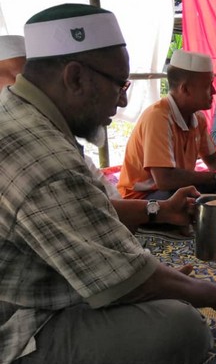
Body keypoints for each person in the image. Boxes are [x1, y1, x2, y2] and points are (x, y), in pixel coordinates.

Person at [0, 3, 216, 364]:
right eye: (120, 86)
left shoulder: (27, 117)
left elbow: (88, 212)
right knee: (182, 329)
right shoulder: (44, 156)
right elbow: (126, 274)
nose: (122, 103)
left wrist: (160, 215)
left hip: (48, 290)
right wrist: (214, 294)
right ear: (75, 77)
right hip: (20, 329)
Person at [0, 35, 200, 234]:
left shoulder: (59, 143)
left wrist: (161, 210)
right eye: (23, 82)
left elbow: (105, 205)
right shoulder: (28, 151)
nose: (122, 102)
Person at [117, 49, 216, 211]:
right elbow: (164, 179)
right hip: (145, 197)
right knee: (187, 199)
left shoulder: (198, 118)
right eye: (208, 86)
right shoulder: (158, 117)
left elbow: (213, 160)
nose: (213, 91)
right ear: (185, 89)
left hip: (178, 188)